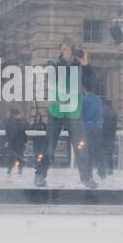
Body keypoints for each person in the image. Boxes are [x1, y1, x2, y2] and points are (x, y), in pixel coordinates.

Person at [34, 38, 94, 188]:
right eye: (64, 49)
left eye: (69, 49)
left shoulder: (80, 66)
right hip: (56, 112)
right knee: (49, 146)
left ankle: (87, 178)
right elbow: (54, 78)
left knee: (81, 147)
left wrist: (85, 64)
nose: (67, 51)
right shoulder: (53, 64)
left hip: (74, 111)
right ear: (60, 50)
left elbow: (89, 85)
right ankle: (40, 175)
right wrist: (65, 62)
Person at [79, 84, 104, 187]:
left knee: (86, 153)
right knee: (96, 151)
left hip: (87, 129)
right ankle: (101, 170)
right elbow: (100, 114)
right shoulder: (98, 100)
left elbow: (80, 115)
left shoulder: (83, 100)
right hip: (97, 129)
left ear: (84, 89)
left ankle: (89, 176)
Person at [3, 108, 28, 175]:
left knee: (19, 156)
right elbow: (8, 132)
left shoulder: (22, 122)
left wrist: (25, 141)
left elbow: (24, 132)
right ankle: (10, 168)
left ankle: (19, 168)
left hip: (20, 142)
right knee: (12, 156)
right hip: (13, 142)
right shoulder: (10, 122)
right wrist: (8, 140)